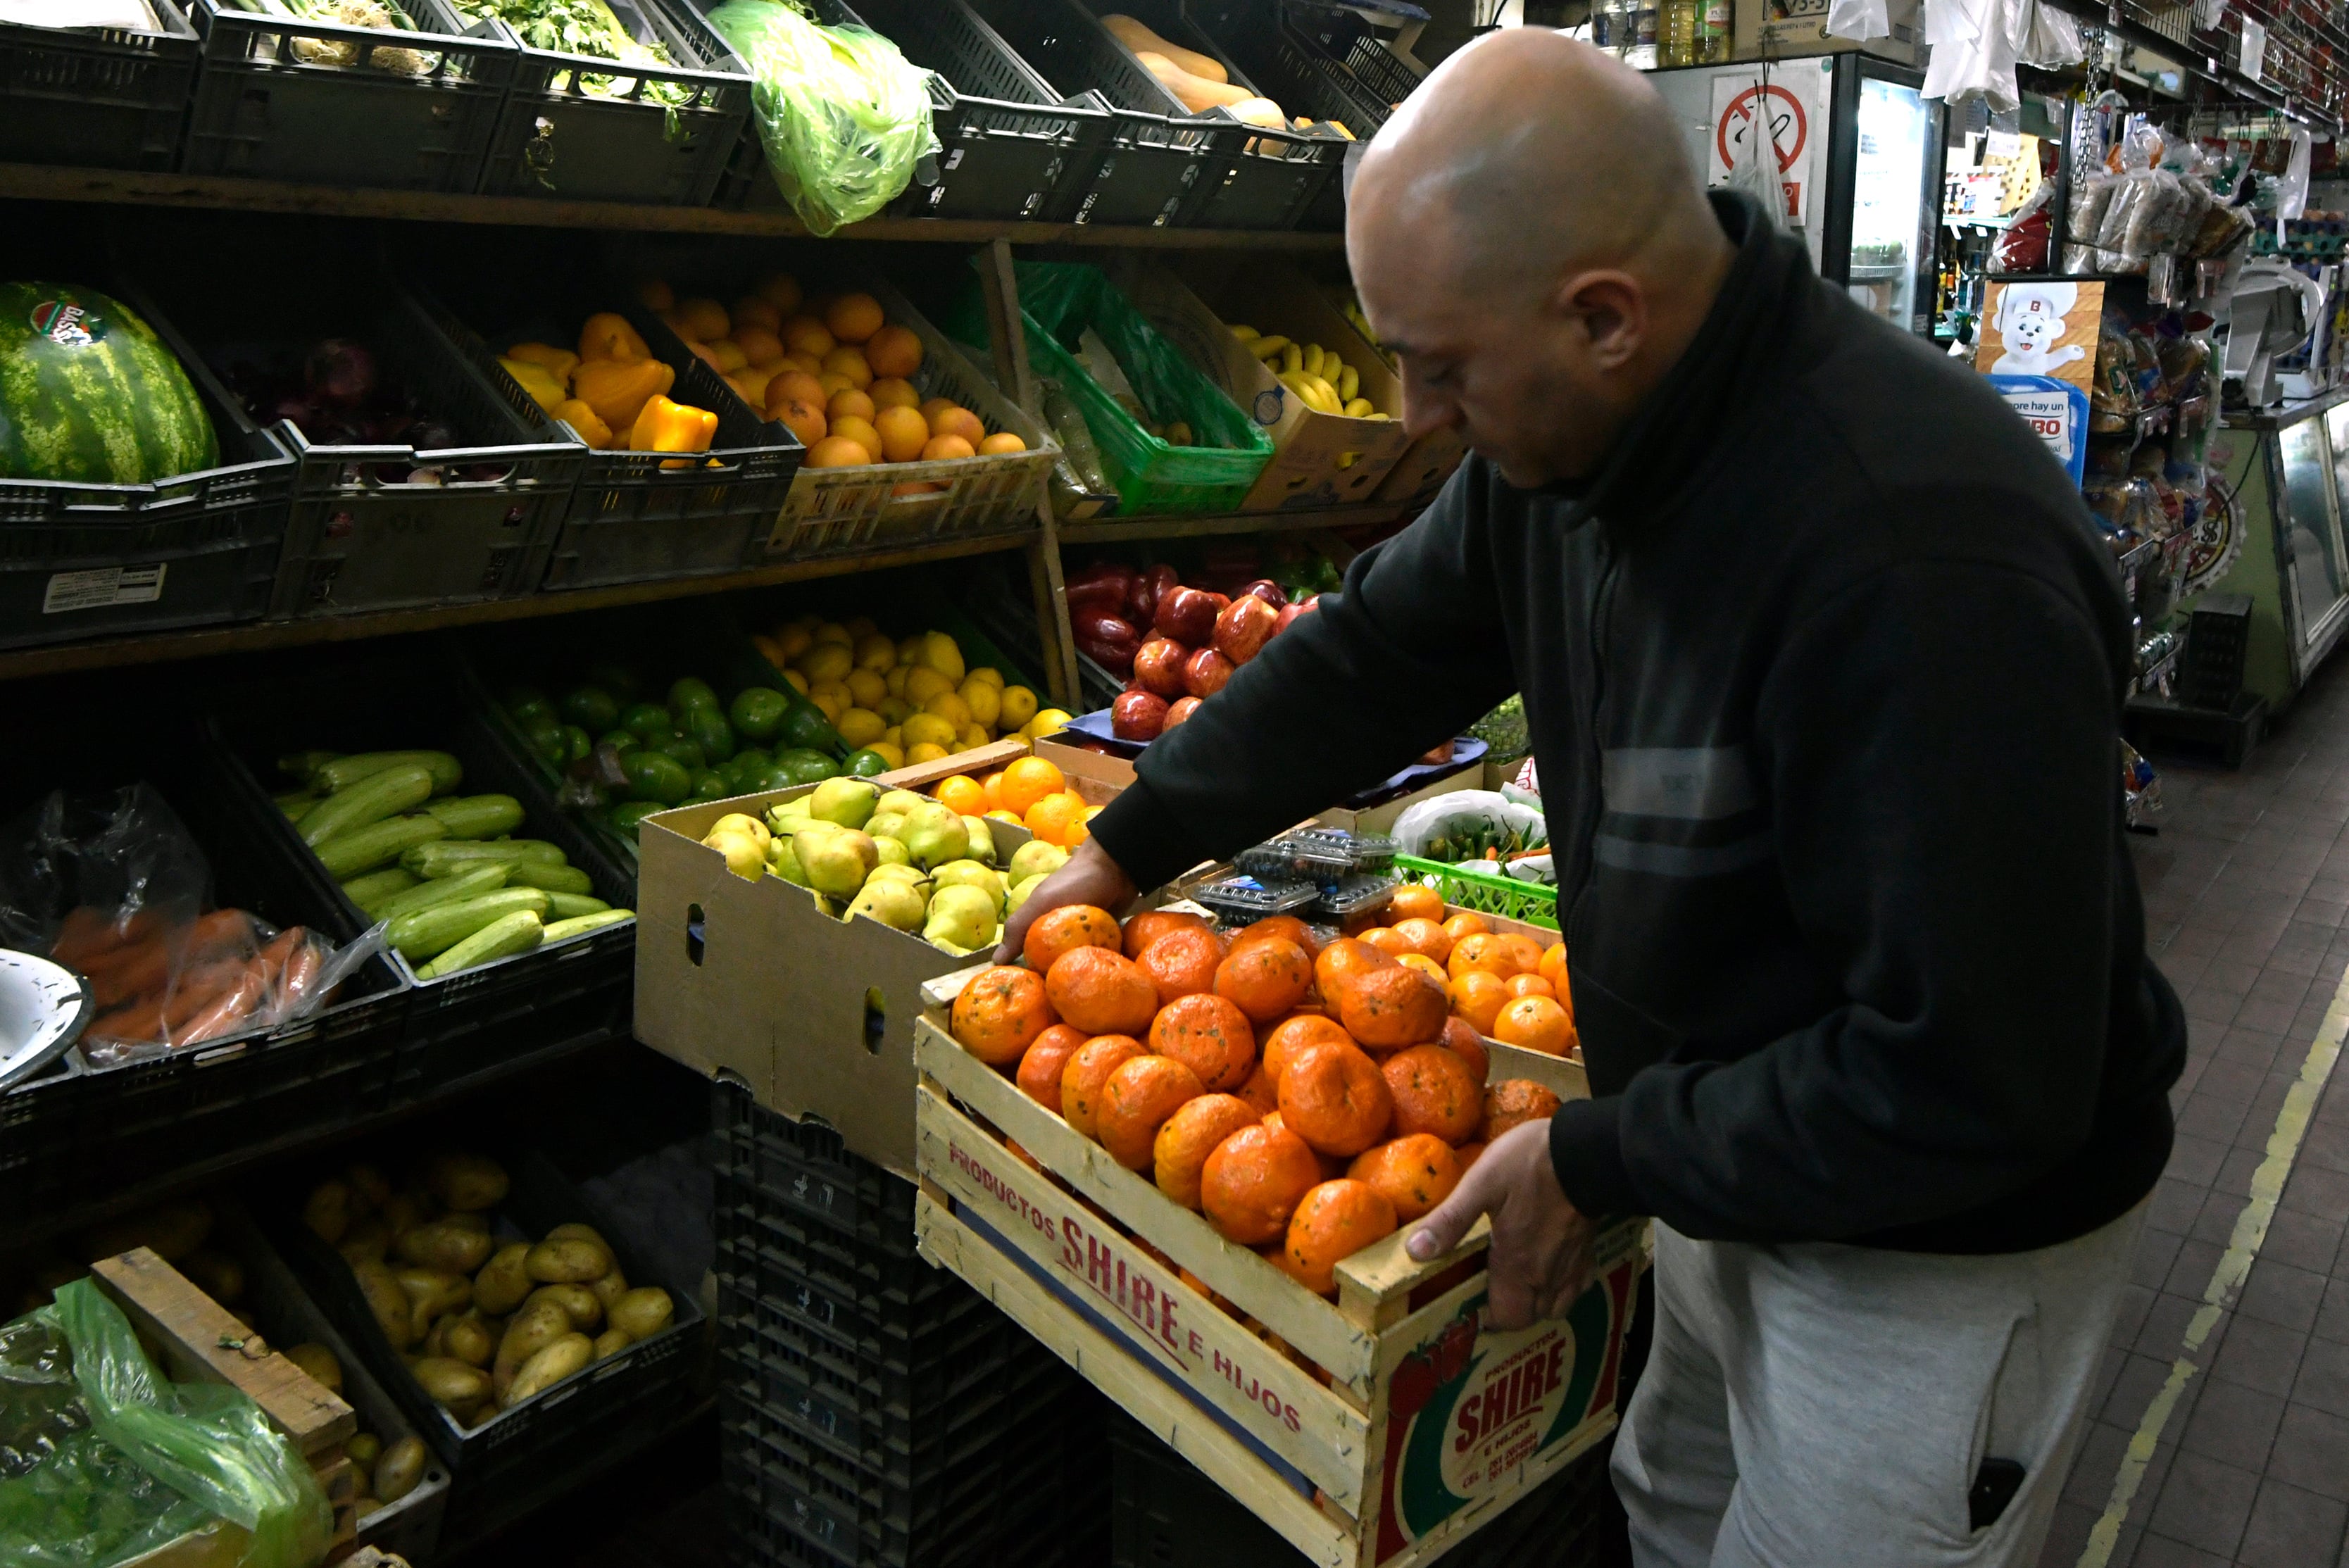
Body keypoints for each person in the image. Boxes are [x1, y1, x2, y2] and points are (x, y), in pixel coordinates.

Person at [998, 28, 2181, 1568]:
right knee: (1675, 1514)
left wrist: (1603, 1154)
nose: (1414, 411)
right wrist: (1129, 839)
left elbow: (1979, 1075)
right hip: (1721, 1148)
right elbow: (1377, 653)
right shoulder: (1578, 442)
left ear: (1605, 317)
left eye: (1442, 365)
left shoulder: (1920, 564)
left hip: (1932, 1243)